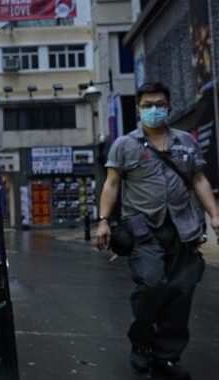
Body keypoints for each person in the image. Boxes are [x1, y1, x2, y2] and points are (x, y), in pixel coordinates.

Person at [95, 82, 219, 380]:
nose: (154, 109)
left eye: (160, 104)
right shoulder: (125, 145)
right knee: (152, 284)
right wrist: (103, 220)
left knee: (180, 292)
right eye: (148, 105)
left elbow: (199, 179)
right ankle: (141, 342)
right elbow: (112, 183)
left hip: (184, 228)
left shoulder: (185, 143)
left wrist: (215, 214)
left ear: (169, 106)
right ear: (137, 109)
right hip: (142, 230)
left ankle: (166, 356)